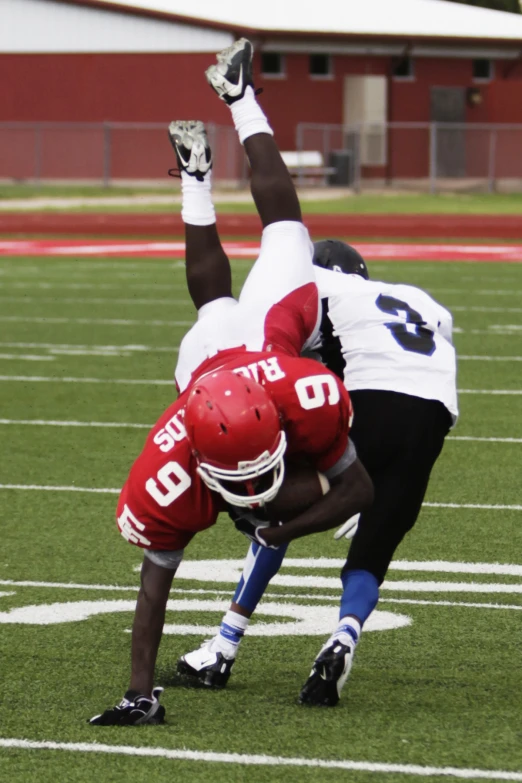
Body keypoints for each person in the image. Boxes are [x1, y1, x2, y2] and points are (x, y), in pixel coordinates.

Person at [90, 40, 372, 727]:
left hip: (236, 358)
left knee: (233, 288)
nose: (249, 489)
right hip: (230, 368)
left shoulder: (296, 390)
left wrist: (141, 690)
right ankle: (238, 101)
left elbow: (155, 585)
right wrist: (289, 517)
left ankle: (197, 172)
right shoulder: (190, 447)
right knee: (283, 234)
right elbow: (357, 485)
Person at [178, 240, 458, 707]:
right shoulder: (421, 301)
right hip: (432, 419)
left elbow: (284, 366)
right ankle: (344, 635)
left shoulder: (309, 286)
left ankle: (222, 648)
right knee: (372, 553)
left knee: (277, 502)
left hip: (370, 398)